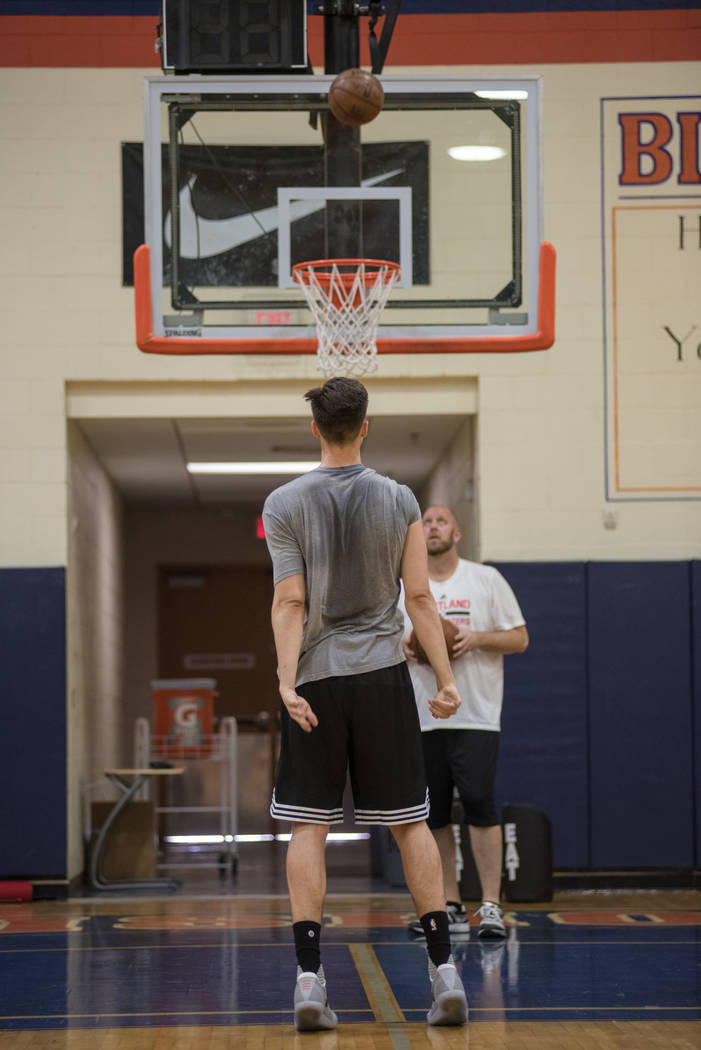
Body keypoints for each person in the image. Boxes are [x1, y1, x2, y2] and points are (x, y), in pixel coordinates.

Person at [262, 379, 468, 1031]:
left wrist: (285, 681)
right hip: (382, 678)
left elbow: (289, 603)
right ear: (366, 426)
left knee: (308, 826)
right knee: (410, 823)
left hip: (317, 682)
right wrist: (444, 679)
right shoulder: (399, 497)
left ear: (316, 429)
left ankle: (307, 981)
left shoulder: (283, 501)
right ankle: (444, 973)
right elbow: (419, 600)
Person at [399, 505, 529, 940]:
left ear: (457, 533)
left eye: (440, 521)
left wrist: (475, 638)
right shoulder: (404, 588)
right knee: (432, 815)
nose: (432, 526)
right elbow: (386, 643)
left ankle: (490, 905)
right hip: (423, 714)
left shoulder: (485, 580)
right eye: (425, 523)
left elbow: (519, 637)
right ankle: (448, 904)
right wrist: (407, 647)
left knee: (479, 804)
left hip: (476, 714)